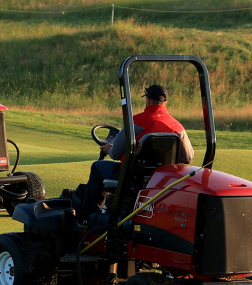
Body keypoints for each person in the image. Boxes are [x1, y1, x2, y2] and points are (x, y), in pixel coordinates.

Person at [78, 84, 195, 219]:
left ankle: (91, 216)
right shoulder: (177, 126)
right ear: (165, 102)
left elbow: (115, 154)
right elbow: (188, 157)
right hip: (161, 179)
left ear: (148, 100)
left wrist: (109, 148)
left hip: (131, 176)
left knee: (97, 167)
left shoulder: (136, 121)